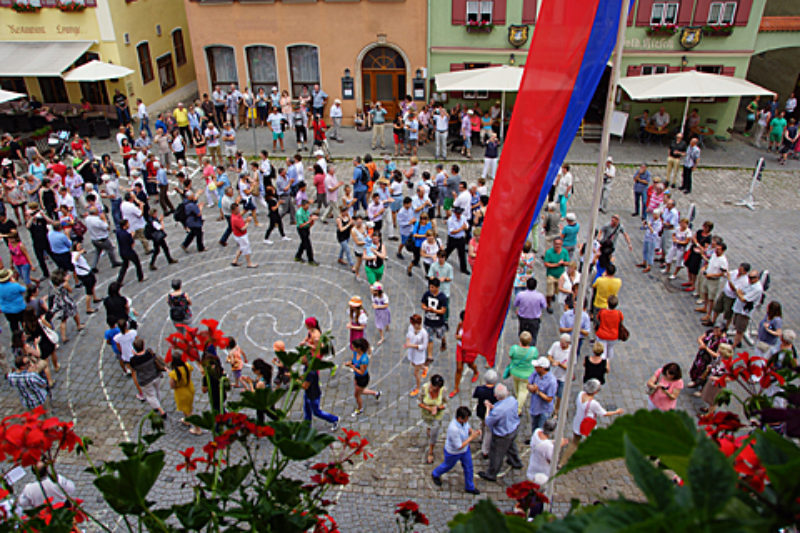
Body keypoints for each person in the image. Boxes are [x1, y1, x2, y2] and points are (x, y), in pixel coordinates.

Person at [559, 379, 623, 467]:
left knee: (574, 442)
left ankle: (561, 463)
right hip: (588, 425)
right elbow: (604, 413)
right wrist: (616, 412)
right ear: (595, 392)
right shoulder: (593, 404)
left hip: (578, 422)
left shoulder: (580, 394)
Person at [431, 405, 481, 495]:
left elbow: (468, 428)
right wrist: (472, 438)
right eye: (466, 418)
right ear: (459, 418)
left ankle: (470, 487)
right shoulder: (453, 429)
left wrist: (473, 432)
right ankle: (435, 474)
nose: (467, 420)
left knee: (469, 467)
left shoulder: (464, 422)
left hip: (465, 450)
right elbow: (459, 446)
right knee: (447, 466)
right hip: (454, 453)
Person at [478, 383, 523, 482]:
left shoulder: (497, 411)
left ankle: (491, 473)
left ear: (495, 396)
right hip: (513, 429)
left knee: (496, 455)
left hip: (502, 435)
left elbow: (488, 421)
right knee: (511, 446)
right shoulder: (512, 400)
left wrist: (488, 409)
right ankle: (516, 462)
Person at [344, 337, 381, 417]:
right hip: (357, 376)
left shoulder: (364, 359)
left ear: (359, 348)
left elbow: (361, 372)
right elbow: (354, 362)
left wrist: (351, 367)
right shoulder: (355, 353)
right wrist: (349, 363)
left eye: (354, 347)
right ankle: (375, 393)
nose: (352, 348)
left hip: (362, 379)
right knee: (360, 391)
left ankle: (360, 409)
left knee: (357, 395)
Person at [130, 339, 167, 418]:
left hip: (145, 380)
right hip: (156, 375)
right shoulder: (149, 353)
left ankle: (161, 410)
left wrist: (134, 355)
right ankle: (158, 403)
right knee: (157, 390)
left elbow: (134, 369)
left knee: (150, 395)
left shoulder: (134, 360)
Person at [730, 269, 763, 349]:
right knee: (735, 324)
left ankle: (733, 345)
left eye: (752, 278)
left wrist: (740, 294)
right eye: (749, 277)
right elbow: (739, 290)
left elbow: (744, 299)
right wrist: (740, 294)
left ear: (757, 278)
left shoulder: (757, 288)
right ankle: (738, 341)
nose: (749, 279)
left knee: (740, 329)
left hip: (745, 312)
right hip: (738, 307)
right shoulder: (748, 283)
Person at [169, 357, 203, 434]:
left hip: (181, 393)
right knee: (187, 408)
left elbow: (172, 386)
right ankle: (187, 420)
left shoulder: (174, 373)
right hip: (189, 388)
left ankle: (197, 429)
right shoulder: (187, 365)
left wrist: (170, 375)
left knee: (189, 412)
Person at [419, 374, 447, 464]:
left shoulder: (443, 391)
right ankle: (429, 430)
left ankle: (430, 451)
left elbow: (445, 403)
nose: (436, 390)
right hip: (426, 415)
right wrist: (429, 408)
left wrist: (437, 408)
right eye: (435, 388)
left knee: (434, 434)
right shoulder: (424, 388)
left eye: (438, 389)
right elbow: (419, 402)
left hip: (437, 416)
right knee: (428, 428)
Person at [450, 309, 479, 398]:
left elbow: (473, 339)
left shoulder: (474, 327)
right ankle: (456, 387)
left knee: (470, 364)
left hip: (469, 348)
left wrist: (461, 338)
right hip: (460, 347)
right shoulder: (460, 324)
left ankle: (476, 372)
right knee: (459, 368)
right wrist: (458, 337)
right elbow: (456, 334)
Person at [513, 277, 547, 346]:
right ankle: (531, 348)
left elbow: (515, 304)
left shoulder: (520, 295)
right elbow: (544, 306)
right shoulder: (540, 296)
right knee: (533, 335)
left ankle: (522, 346)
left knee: (522, 333)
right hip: (534, 318)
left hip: (523, 318)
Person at [421, 278, 448, 363]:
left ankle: (443, 341)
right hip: (428, 321)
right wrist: (426, 308)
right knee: (429, 338)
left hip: (438, 322)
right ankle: (429, 356)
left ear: (437, 287)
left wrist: (434, 310)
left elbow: (443, 310)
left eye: (433, 287)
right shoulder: (427, 294)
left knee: (440, 335)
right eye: (430, 287)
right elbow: (423, 304)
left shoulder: (442, 297)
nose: (431, 289)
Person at [405, 314, 429, 397]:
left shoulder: (424, 333)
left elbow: (424, 346)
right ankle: (425, 368)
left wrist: (412, 345)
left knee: (416, 372)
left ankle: (418, 388)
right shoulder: (411, 327)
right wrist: (408, 342)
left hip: (419, 354)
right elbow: (408, 335)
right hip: (412, 352)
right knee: (413, 364)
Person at [115, 219, 146, 285]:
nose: (128, 225)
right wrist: (132, 236)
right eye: (127, 224)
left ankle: (119, 281)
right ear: (124, 226)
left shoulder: (118, 232)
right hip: (129, 252)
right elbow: (132, 244)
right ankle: (140, 277)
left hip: (122, 251)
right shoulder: (127, 234)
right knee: (137, 264)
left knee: (124, 265)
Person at [544, 237, 570, 313]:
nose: (557, 245)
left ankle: (553, 295)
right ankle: (548, 304)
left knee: (557, 291)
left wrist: (563, 263)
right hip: (551, 275)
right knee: (549, 292)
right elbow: (546, 263)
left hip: (560, 276)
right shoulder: (549, 252)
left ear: (562, 244)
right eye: (556, 244)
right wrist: (557, 264)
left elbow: (567, 262)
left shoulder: (564, 252)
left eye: (559, 244)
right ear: (553, 244)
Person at [294, 198, 318, 265]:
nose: (308, 207)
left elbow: (309, 217)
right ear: (303, 206)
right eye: (307, 206)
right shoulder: (299, 213)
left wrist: (312, 220)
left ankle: (298, 256)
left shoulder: (306, 211)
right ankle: (311, 260)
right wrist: (309, 221)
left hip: (306, 229)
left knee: (303, 243)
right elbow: (301, 225)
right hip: (302, 230)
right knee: (308, 245)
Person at [371, 282, 391, 346]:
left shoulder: (384, 296)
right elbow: (374, 302)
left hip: (384, 311)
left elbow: (386, 305)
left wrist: (378, 306)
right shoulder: (373, 295)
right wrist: (374, 305)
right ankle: (382, 337)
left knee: (386, 320)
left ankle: (387, 326)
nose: (373, 291)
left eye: (375, 290)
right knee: (379, 325)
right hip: (378, 312)